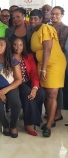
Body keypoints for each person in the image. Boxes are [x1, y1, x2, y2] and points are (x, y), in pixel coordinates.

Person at [30, 9, 66, 137]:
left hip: (54, 64)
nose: (33, 21)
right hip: (42, 64)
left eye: (36, 18)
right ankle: (50, 119)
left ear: (41, 19)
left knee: (52, 93)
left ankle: (49, 125)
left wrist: (43, 69)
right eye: (31, 18)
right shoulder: (34, 32)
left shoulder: (45, 28)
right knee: (45, 92)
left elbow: (47, 49)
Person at [11, 37, 45, 136]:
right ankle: (30, 123)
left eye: (20, 44)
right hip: (15, 83)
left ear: (24, 46)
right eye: (15, 44)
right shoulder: (8, 56)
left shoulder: (28, 56)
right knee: (26, 92)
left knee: (41, 92)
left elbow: (34, 74)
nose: (18, 47)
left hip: (28, 81)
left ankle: (32, 118)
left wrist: (35, 88)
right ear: (11, 46)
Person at [50, 6, 68, 121]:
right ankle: (50, 111)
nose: (54, 16)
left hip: (58, 60)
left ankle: (58, 112)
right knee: (49, 88)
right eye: (52, 14)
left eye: (57, 14)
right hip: (47, 60)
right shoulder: (48, 27)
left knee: (57, 88)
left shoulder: (64, 28)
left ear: (62, 15)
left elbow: (60, 46)